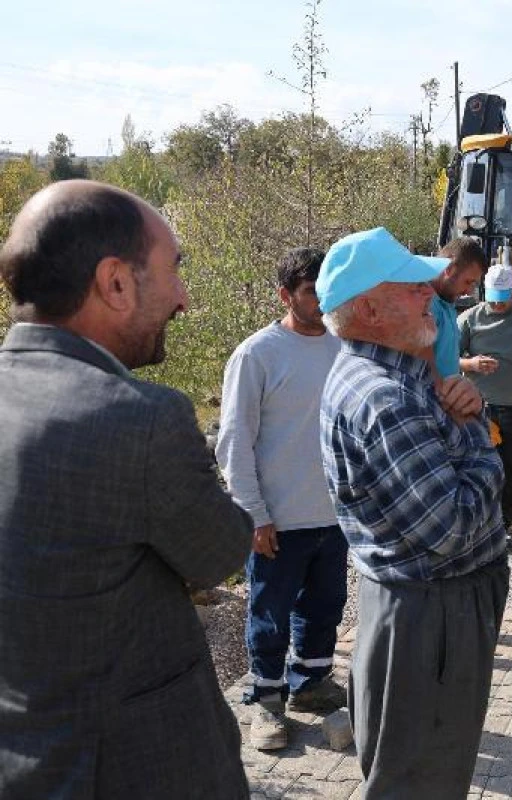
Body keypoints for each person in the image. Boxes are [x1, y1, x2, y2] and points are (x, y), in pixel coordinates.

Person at [0, 180, 253, 798]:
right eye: (173, 270)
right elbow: (222, 551)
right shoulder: (141, 418)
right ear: (116, 282)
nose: (184, 299)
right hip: (133, 769)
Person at [317, 227, 507, 798]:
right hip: (432, 617)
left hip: (423, 612)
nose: (431, 290)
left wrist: (465, 408)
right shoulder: (386, 397)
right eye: (412, 286)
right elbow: (448, 528)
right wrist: (479, 439)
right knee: (421, 780)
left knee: (420, 773)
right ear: (370, 308)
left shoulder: (399, 376)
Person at [216, 247, 347, 751]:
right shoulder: (257, 354)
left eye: (326, 289)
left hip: (333, 515)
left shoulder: (342, 347)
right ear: (285, 294)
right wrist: (253, 514)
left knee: (325, 607)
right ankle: (265, 703)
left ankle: (310, 686)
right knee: (270, 613)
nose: (320, 301)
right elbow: (234, 439)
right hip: (277, 517)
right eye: (311, 291)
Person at [459, 263, 512, 550]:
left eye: (502, 296)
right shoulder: (469, 319)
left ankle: (502, 526)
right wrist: (471, 364)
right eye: (492, 296)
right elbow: (446, 358)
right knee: (477, 470)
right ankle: (475, 527)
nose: (496, 303)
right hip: (477, 409)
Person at [428, 237, 488, 379]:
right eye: (468, 282)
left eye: (474, 284)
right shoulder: (424, 306)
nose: (469, 291)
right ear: (448, 269)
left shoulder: (447, 302)